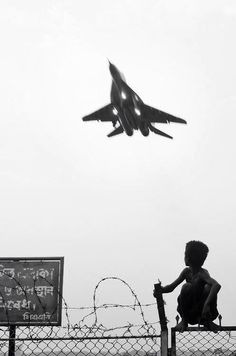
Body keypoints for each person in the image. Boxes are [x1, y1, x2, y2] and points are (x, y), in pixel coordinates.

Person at [154, 240, 221, 332]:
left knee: (208, 288)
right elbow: (171, 287)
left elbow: (216, 285)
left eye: (185, 255)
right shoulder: (186, 272)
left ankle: (207, 321)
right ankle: (184, 321)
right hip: (190, 313)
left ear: (189, 258)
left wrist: (207, 304)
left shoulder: (202, 273)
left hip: (204, 311)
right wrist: (161, 290)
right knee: (186, 287)